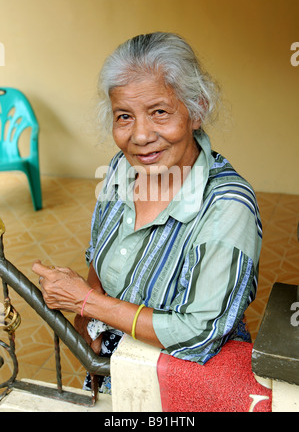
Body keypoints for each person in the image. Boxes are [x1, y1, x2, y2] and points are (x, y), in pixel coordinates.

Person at [32, 32, 262, 393]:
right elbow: (99, 256)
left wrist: (87, 302)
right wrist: (87, 321)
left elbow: (199, 335)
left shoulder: (228, 206)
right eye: (124, 116)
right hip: (113, 376)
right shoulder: (121, 170)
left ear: (196, 110)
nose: (140, 136)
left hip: (183, 388)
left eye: (159, 112)